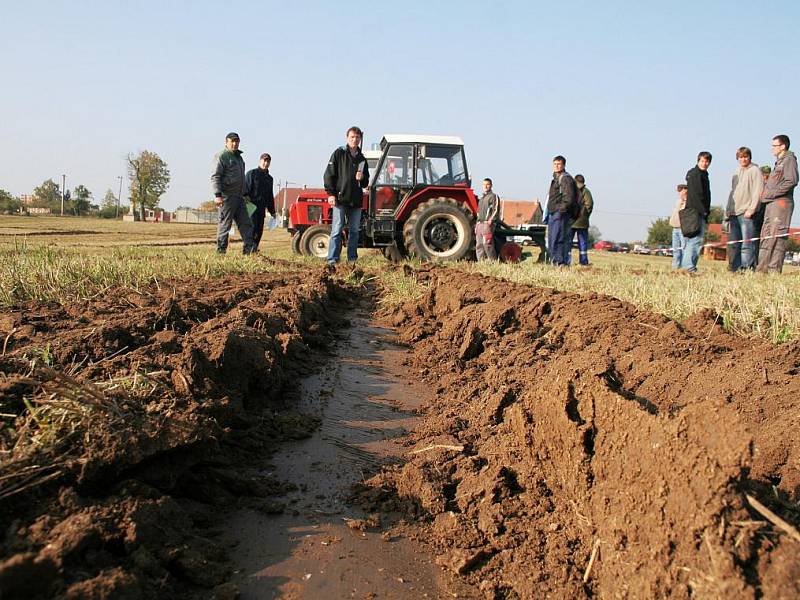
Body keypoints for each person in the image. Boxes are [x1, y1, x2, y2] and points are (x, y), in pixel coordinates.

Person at [323, 126, 370, 265]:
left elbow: (366, 182)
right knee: (337, 229)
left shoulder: (362, 159)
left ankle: (352, 260)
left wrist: (362, 178)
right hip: (340, 199)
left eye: (357, 137)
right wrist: (331, 194)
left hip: (355, 200)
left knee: (354, 231)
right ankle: (332, 260)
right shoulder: (339, 154)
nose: (355, 140)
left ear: (360, 139)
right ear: (347, 138)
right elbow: (329, 174)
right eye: (352, 137)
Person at [756, 134, 798, 273]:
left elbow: (791, 181)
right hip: (771, 203)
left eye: (774, 146)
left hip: (781, 204)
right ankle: (762, 269)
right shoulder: (779, 162)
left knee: (777, 237)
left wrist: (772, 193)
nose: (772, 149)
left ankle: (773, 270)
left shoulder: (789, 160)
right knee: (767, 236)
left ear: (783, 146)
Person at [211, 132, 254, 255]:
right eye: (232, 141)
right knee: (225, 225)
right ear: (226, 142)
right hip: (227, 197)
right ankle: (221, 252)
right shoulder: (222, 156)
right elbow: (215, 176)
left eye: (237, 141)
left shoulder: (239, 158)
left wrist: (245, 195)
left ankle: (249, 251)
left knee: (246, 224)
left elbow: (241, 179)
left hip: (239, 198)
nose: (235, 144)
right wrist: (217, 195)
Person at [725, 147, 763, 271]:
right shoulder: (736, 172)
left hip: (746, 212)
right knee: (734, 244)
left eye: (745, 156)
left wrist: (751, 209)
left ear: (749, 157)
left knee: (747, 244)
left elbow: (758, 191)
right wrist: (728, 210)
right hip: (734, 212)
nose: (743, 159)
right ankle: (735, 268)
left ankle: (746, 268)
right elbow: (732, 193)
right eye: (741, 157)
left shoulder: (755, 170)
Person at [680, 151, 712, 272]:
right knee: (696, 240)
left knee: (691, 241)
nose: (705, 163)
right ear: (698, 161)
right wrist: (703, 212)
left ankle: (686, 266)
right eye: (702, 161)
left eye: (707, 161)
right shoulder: (697, 175)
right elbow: (698, 195)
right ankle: (689, 267)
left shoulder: (701, 174)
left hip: (693, 211)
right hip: (696, 212)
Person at [546, 155, 579, 265]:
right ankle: (555, 261)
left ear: (564, 165)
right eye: (554, 164)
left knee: (558, 239)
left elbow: (568, 198)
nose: (556, 166)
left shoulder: (565, 179)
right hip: (554, 212)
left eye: (559, 164)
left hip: (560, 214)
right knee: (552, 239)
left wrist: (560, 210)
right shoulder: (556, 179)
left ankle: (559, 262)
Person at [245, 153, 276, 253]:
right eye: (264, 160)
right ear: (260, 161)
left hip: (261, 209)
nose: (266, 163)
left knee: (259, 231)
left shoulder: (269, 179)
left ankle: (254, 251)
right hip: (251, 207)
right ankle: (247, 252)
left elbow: (270, 196)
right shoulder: (252, 174)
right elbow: (244, 190)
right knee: (251, 230)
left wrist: (272, 211)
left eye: (268, 161)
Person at [570, 174, 594, 265]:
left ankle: (567, 260)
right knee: (583, 242)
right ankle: (583, 261)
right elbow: (589, 205)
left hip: (571, 220)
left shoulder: (571, 191)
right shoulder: (586, 191)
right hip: (582, 222)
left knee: (568, 242)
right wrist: (585, 216)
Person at [475, 178, 500, 261]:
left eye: (487, 184)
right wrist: (477, 223)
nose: (485, 186)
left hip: (487, 224)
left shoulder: (493, 196)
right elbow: (478, 211)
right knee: (479, 245)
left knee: (487, 244)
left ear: (491, 185)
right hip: (479, 224)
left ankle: (493, 261)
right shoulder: (481, 199)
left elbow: (496, 210)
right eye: (484, 184)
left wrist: (490, 221)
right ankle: (481, 262)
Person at [752, 165, 771, 259]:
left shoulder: (771, 189)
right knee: (754, 242)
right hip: (756, 218)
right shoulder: (756, 187)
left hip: (766, 220)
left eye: (767, 176)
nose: (764, 178)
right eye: (763, 176)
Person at [669, 184, 688, 269]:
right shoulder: (678, 201)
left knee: (684, 249)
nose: (679, 192)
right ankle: (675, 267)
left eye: (681, 190)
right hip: (675, 228)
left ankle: (684, 267)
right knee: (676, 250)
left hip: (683, 229)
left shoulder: (688, 202)